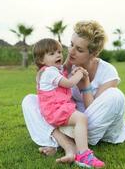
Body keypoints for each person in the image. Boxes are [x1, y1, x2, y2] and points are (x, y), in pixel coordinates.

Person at [22, 20, 125, 164]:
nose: (71, 52)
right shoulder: (63, 65)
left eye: (79, 49)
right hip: (71, 121)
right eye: (71, 44)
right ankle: (68, 144)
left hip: (96, 125)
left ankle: (58, 139)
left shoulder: (108, 72)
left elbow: (95, 112)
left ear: (93, 53)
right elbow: (50, 100)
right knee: (29, 100)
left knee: (116, 96)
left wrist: (85, 84)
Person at [32, 38, 105, 168]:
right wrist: (80, 73)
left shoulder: (55, 70)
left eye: (59, 52)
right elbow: (69, 83)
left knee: (79, 120)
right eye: (52, 53)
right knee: (81, 118)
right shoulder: (49, 72)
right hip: (55, 110)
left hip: (57, 108)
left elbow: (65, 70)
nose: (58, 55)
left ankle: (74, 150)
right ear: (41, 60)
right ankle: (84, 155)